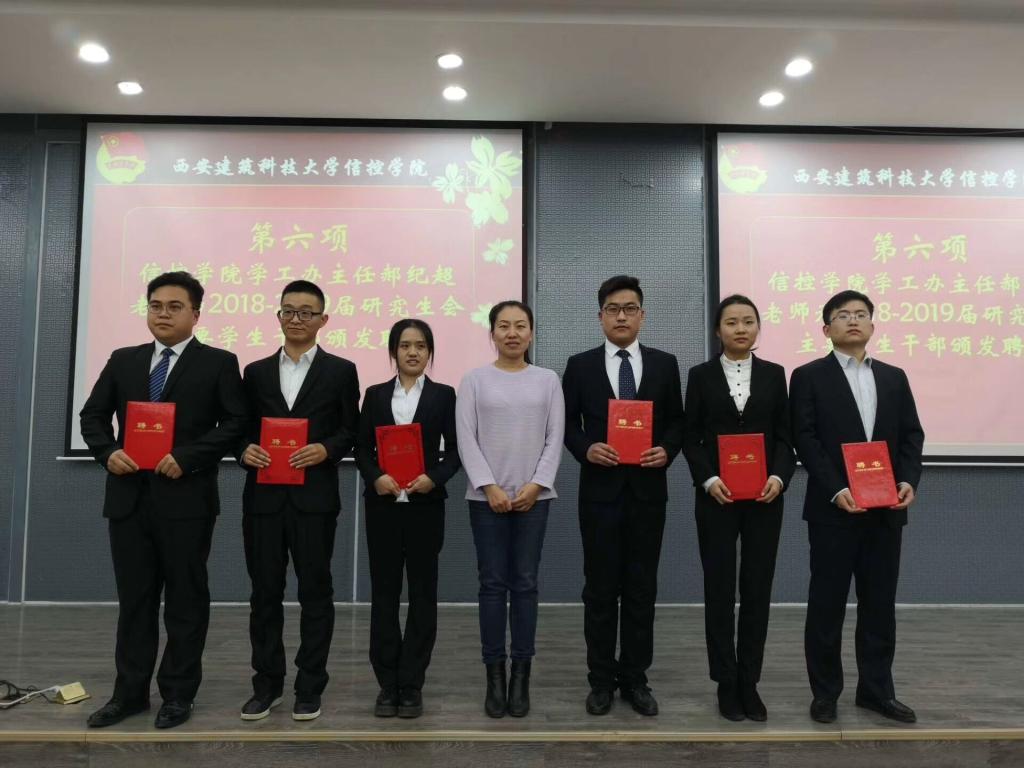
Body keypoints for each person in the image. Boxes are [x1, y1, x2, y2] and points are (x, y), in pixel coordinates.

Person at [80, 271, 248, 729]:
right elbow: (93, 416)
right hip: (129, 500)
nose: (163, 314)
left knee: (185, 602)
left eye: (175, 306)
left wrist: (188, 458)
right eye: (156, 305)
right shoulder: (123, 360)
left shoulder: (218, 363)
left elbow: (236, 423)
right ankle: (129, 694)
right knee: (135, 601)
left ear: (196, 313)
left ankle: (178, 694)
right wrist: (108, 452)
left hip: (186, 501)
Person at [790, 289, 924, 725]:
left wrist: (907, 480)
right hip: (834, 510)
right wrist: (835, 489)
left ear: (872, 325)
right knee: (826, 605)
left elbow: (912, 436)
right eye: (843, 315)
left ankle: (876, 691)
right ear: (825, 328)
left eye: (861, 314)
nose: (853, 320)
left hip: (886, 510)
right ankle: (825, 693)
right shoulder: (808, 376)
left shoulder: (894, 377)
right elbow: (805, 438)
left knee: (879, 605)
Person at [235, 280, 359, 722]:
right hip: (264, 500)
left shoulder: (341, 371)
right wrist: (244, 450)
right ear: (278, 316)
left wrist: (327, 449)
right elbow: (239, 427)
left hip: (314, 500)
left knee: (315, 593)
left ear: (323, 319)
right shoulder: (255, 372)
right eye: (288, 310)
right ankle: (266, 685)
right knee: (264, 594)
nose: (296, 319)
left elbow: (352, 429)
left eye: (307, 312)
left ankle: (309, 687)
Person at [561, 275, 685, 717]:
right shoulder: (579, 365)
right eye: (613, 309)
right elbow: (566, 425)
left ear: (642, 316)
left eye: (630, 309)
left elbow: (677, 422)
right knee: (599, 590)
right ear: (600, 317)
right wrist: (586, 448)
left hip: (648, 494)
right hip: (599, 494)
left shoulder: (665, 364)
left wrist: (667, 450)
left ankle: (635, 678)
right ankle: (600, 680)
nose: (621, 316)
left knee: (641, 589)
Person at [681, 295, 795, 722]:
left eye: (748, 321)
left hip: (765, 498)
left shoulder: (775, 374)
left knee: (757, 589)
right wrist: (709, 479)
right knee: (719, 590)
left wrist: (779, 477)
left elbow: (785, 437)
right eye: (731, 322)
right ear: (718, 330)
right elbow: (690, 437)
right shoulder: (700, 375)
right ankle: (725, 683)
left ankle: (750, 681)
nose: (741, 328)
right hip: (717, 498)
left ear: (758, 327)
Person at [456, 300, 565, 718]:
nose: (513, 333)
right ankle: (494, 676)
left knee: (525, 584)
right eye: (504, 326)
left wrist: (537, 485)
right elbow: (466, 437)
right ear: (492, 334)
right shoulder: (474, 380)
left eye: (521, 326)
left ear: (531, 333)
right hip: (487, 500)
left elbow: (555, 437)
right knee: (491, 585)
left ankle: (521, 675)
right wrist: (489, 486)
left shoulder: (547, 380)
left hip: (534, 499)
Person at [355, 318, 461, 719]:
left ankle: (412, 683)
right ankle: (387, 684)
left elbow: (456, 451)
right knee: (384, 595)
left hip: (424, 506)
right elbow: (361, 447)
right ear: (393, 351)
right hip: (382, 506)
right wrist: (375, 476)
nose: (413, 352)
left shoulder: (444, 395)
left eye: (420, 346)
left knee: (422, 594)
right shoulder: (375, 394)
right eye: (405, 345)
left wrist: (434, 478)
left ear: (429, 352)